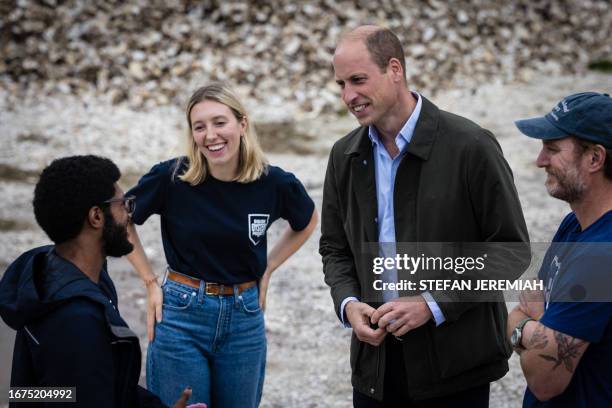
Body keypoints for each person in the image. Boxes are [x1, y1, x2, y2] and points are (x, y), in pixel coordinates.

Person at [319, 25, 530, 407]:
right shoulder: (344, 156)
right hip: (375, 372)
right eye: (341, 84)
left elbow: (511, 251)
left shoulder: (471, 145)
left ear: (395, 69)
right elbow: (334, 249)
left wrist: (432, 304)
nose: (349, 96)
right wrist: (348, 304)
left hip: (455, 370)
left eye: (358, 80)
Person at [125, 82, 318, 407]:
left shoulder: (274, 182)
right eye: (199, 127)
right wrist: (148, 281)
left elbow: (307, 221)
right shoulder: (172, 178)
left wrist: (268, 268)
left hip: (245, 319)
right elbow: (121, 220)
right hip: (181, 318)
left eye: (219, 122)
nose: (210, 135)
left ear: (242, 124)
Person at [0, 155, 203, 408]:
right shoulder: (76, 321)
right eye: (123, 205)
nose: (129, 215)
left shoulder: (48, 275)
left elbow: (34, 392)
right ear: (96, 216)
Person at [509, 92, 612, 407]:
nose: (540, 161)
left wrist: (528, 324)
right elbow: (519, 309)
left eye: (552, 149)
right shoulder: (574, 225)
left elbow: (544, 380)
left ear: (594, 158)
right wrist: (539, 328)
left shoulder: (601, 256)